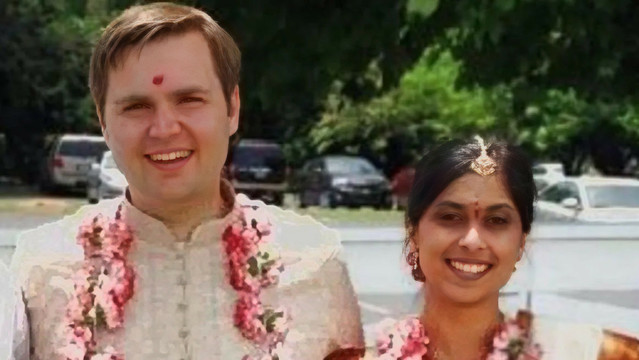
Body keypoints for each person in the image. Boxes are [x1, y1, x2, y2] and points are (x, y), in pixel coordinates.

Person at [9, 3, 363, 359]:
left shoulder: (315, 261)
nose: (164, 128)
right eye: (136, 107)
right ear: (103, 121)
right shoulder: (41, 269)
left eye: (190, 100)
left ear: (232, 109)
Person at [367, 137, 639, 360]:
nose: (472, 240)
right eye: (450, 217)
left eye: (496, 220)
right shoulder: (364, 357)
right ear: (414, 233)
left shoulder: (591, 354)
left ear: (521, 243)